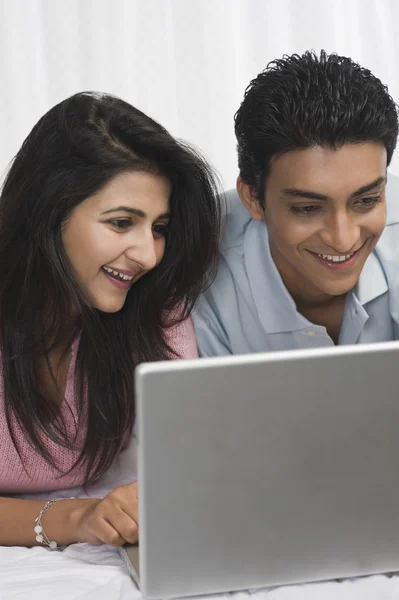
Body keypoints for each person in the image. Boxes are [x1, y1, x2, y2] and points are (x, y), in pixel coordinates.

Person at [0, 92, 220, 548]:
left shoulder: (154, 308)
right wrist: (77, 519)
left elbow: (189, 458)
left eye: (159, 228)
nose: (147, 254)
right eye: (122, 223)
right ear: (48, 213)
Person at [193, 50, 399, 356]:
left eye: (367, 200)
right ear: (252, 197)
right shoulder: (197, 266)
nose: (343, 239)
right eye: (307, 208)